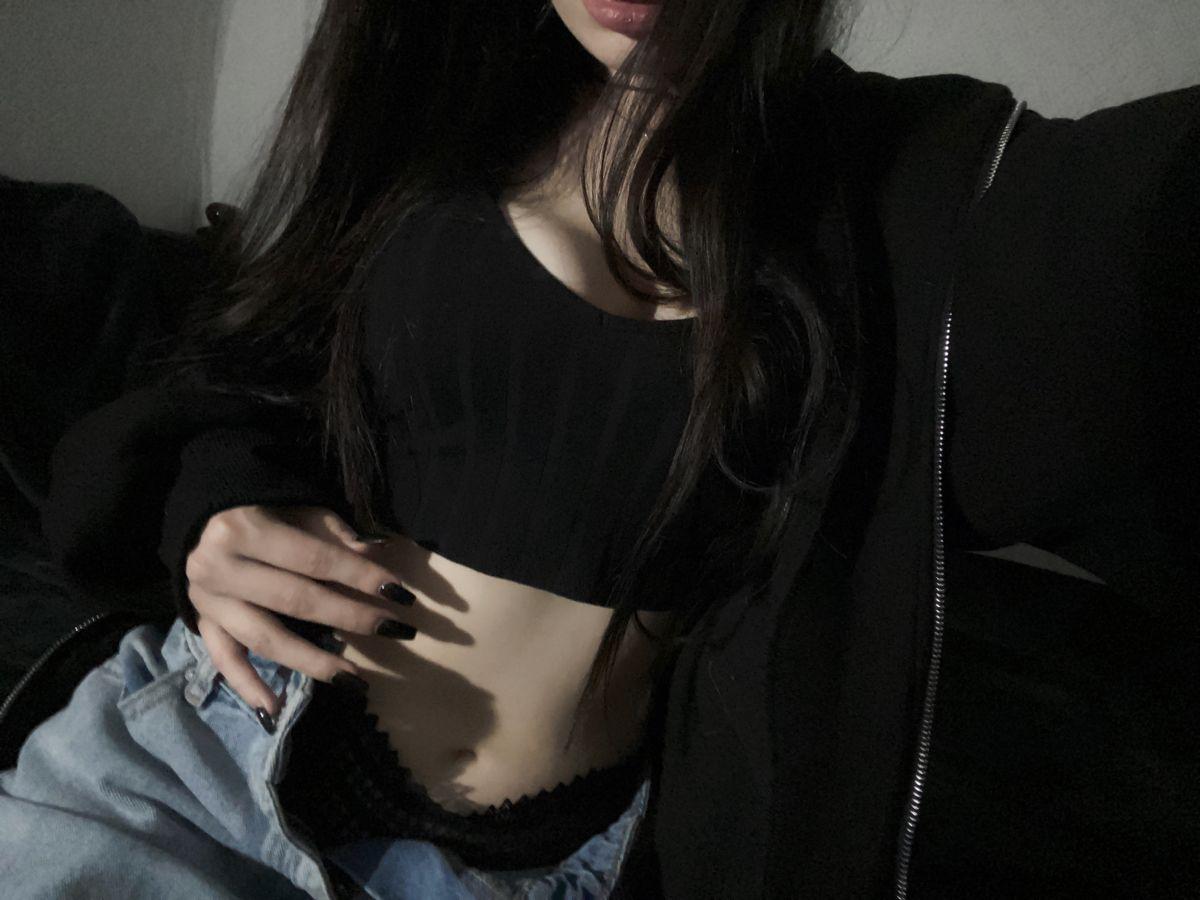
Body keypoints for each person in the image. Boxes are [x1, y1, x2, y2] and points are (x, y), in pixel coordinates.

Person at [3, 0, 1198, 897]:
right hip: (205, 755)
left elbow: (1143, 252)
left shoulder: (904, 195)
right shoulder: (436, 108)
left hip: (533, 873)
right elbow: (239, 374)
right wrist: (213, 508)